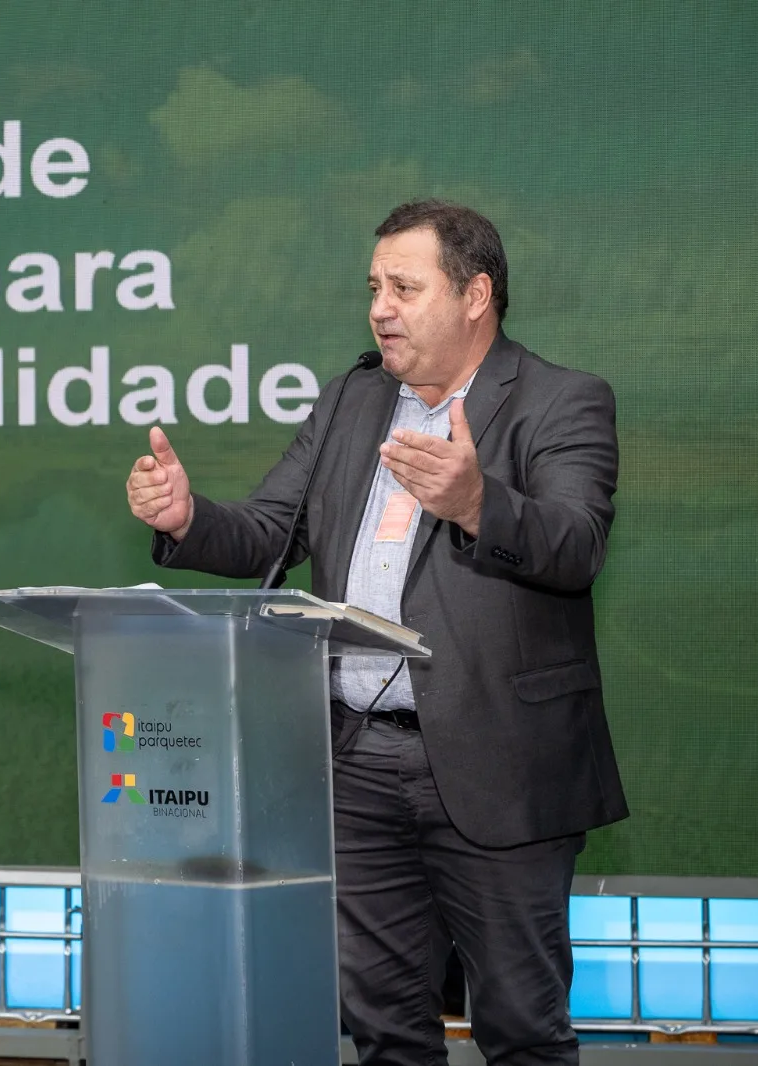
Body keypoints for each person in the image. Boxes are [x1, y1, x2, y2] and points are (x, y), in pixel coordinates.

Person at [124, 200, 627, 1066]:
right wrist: (189, 517)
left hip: (499, 768)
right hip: (356, 768)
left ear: (476, 295)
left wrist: (477, 502)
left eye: (404, 286)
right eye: (373, 287)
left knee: (522, 1032)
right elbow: (270, 530)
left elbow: (575, 545)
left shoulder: (559, 400)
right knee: (387, 1032)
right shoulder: (355, 399)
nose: (379, 308)